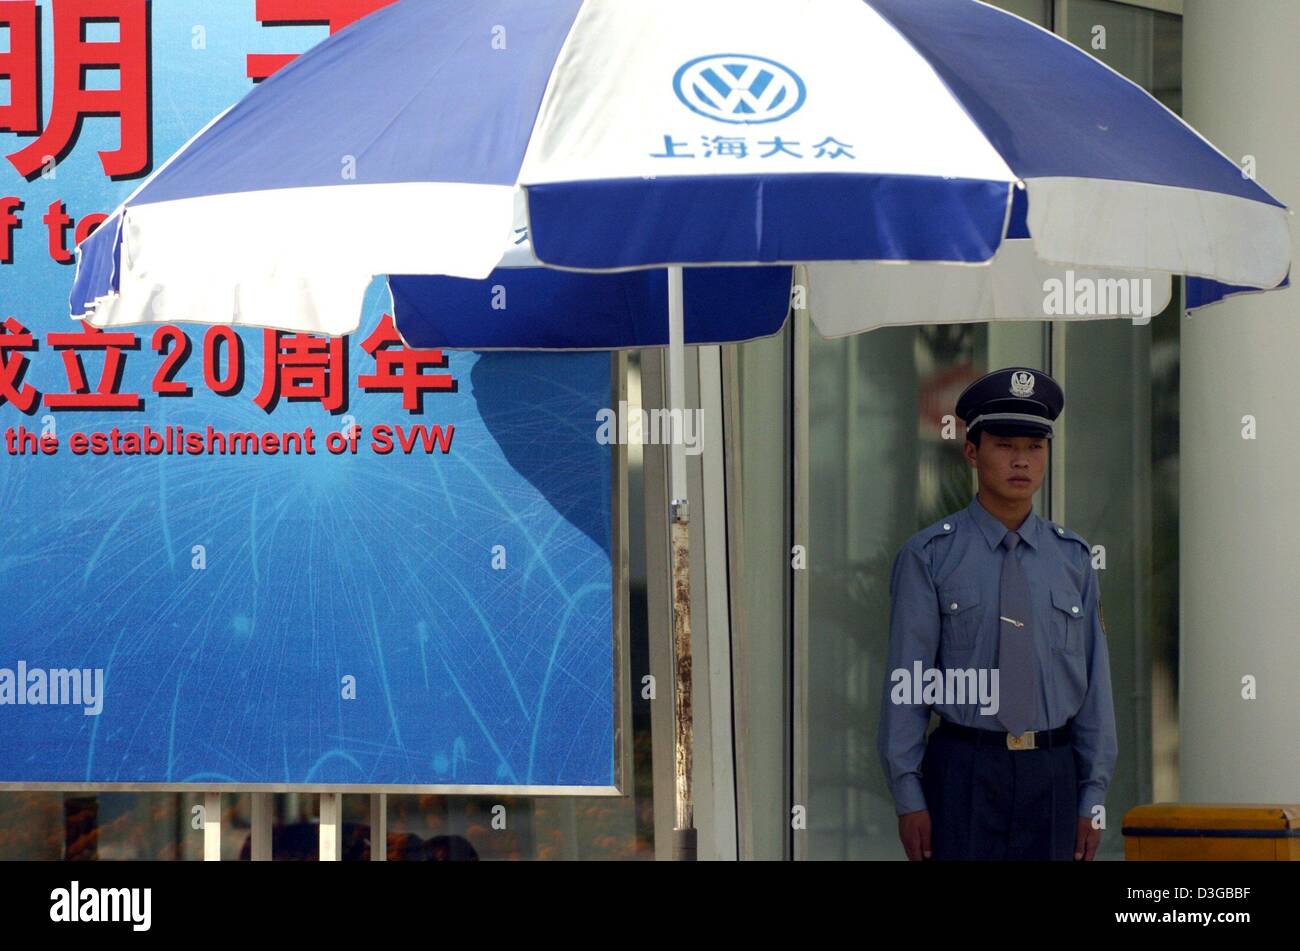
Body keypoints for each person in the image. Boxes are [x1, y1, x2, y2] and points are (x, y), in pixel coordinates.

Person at [877, 367, 1118, 861]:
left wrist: (1092, 796)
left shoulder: (1073, 559)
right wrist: (908, 795)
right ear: (972, 451)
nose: (1022, 461)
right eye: (1006, 445)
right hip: (965, 771)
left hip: (1052, 772)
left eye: (1035, 447)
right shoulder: (930, 556)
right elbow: (908, 682)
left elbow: (1095, 687)